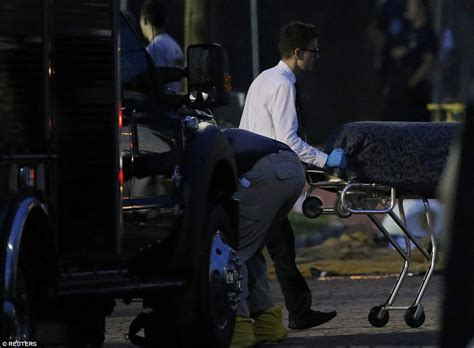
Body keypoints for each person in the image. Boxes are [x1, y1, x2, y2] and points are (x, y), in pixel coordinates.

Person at [239, 21, 346, 331]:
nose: (317, 56)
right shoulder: (284, 85)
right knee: (257, 250)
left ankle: (296, 310)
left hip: (256, 173)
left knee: (281, 246)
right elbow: (287, 139)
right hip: (268, 176)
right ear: (298, 53)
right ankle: (247, 318)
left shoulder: (264, 78)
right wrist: (326, 160)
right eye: (314, 50)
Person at [380, 0, 437, 121]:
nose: (408, 8)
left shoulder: (427, 34)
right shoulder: (406, 32)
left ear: (421, 8)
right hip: (396, 92)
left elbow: (428, 63)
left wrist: (410, 85)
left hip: (414, 96)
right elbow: (394, 52)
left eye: (412, 5)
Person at [140, 0, 184, 92]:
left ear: (145, 20)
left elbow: (156, 82)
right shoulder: (174, 45)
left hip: (163, 103)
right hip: (177, 101)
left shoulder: (153, 49)